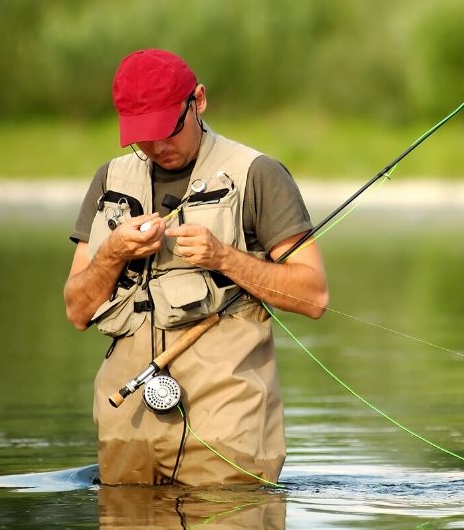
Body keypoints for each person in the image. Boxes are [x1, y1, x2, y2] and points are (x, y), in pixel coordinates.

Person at [63, 49, 328, 486]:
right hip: (126, 426)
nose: (157, 147)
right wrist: (112, 252)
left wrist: (223, 257)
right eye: (141, 137)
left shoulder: (258, 174)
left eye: (168, 130)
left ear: (198, 101)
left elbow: (314, 296)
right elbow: (76, 311)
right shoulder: (108, 180)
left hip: (228, 432)